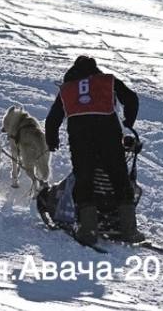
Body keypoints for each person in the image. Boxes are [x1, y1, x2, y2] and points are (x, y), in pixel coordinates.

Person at [45, 55, 143, 244]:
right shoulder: (108, 81)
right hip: (108, 133)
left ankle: (87, 230)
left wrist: (52, 141)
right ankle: (129, 230)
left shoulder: (68, 88)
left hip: (80, 136)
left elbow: (53, 118)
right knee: (119, 177)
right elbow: (132, 99)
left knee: (84, 179)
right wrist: (128, 124)